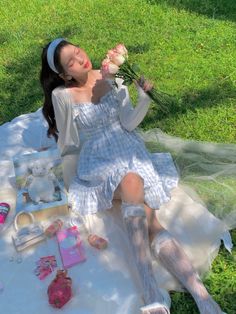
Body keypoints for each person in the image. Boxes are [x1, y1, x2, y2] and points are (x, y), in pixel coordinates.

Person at [40, 38, 225, 314]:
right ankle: (172, 292)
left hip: (129, 150)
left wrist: (145, 98)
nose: (81, 59)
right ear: (65, 74)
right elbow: (68, 144)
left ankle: (192, 297)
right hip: (98, 162)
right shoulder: (62, 96)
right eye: (71, 62)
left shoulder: (111, 75)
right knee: (131, 182)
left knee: (150, 216)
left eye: (79, 51)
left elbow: (128, 121)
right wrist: (72, 187)